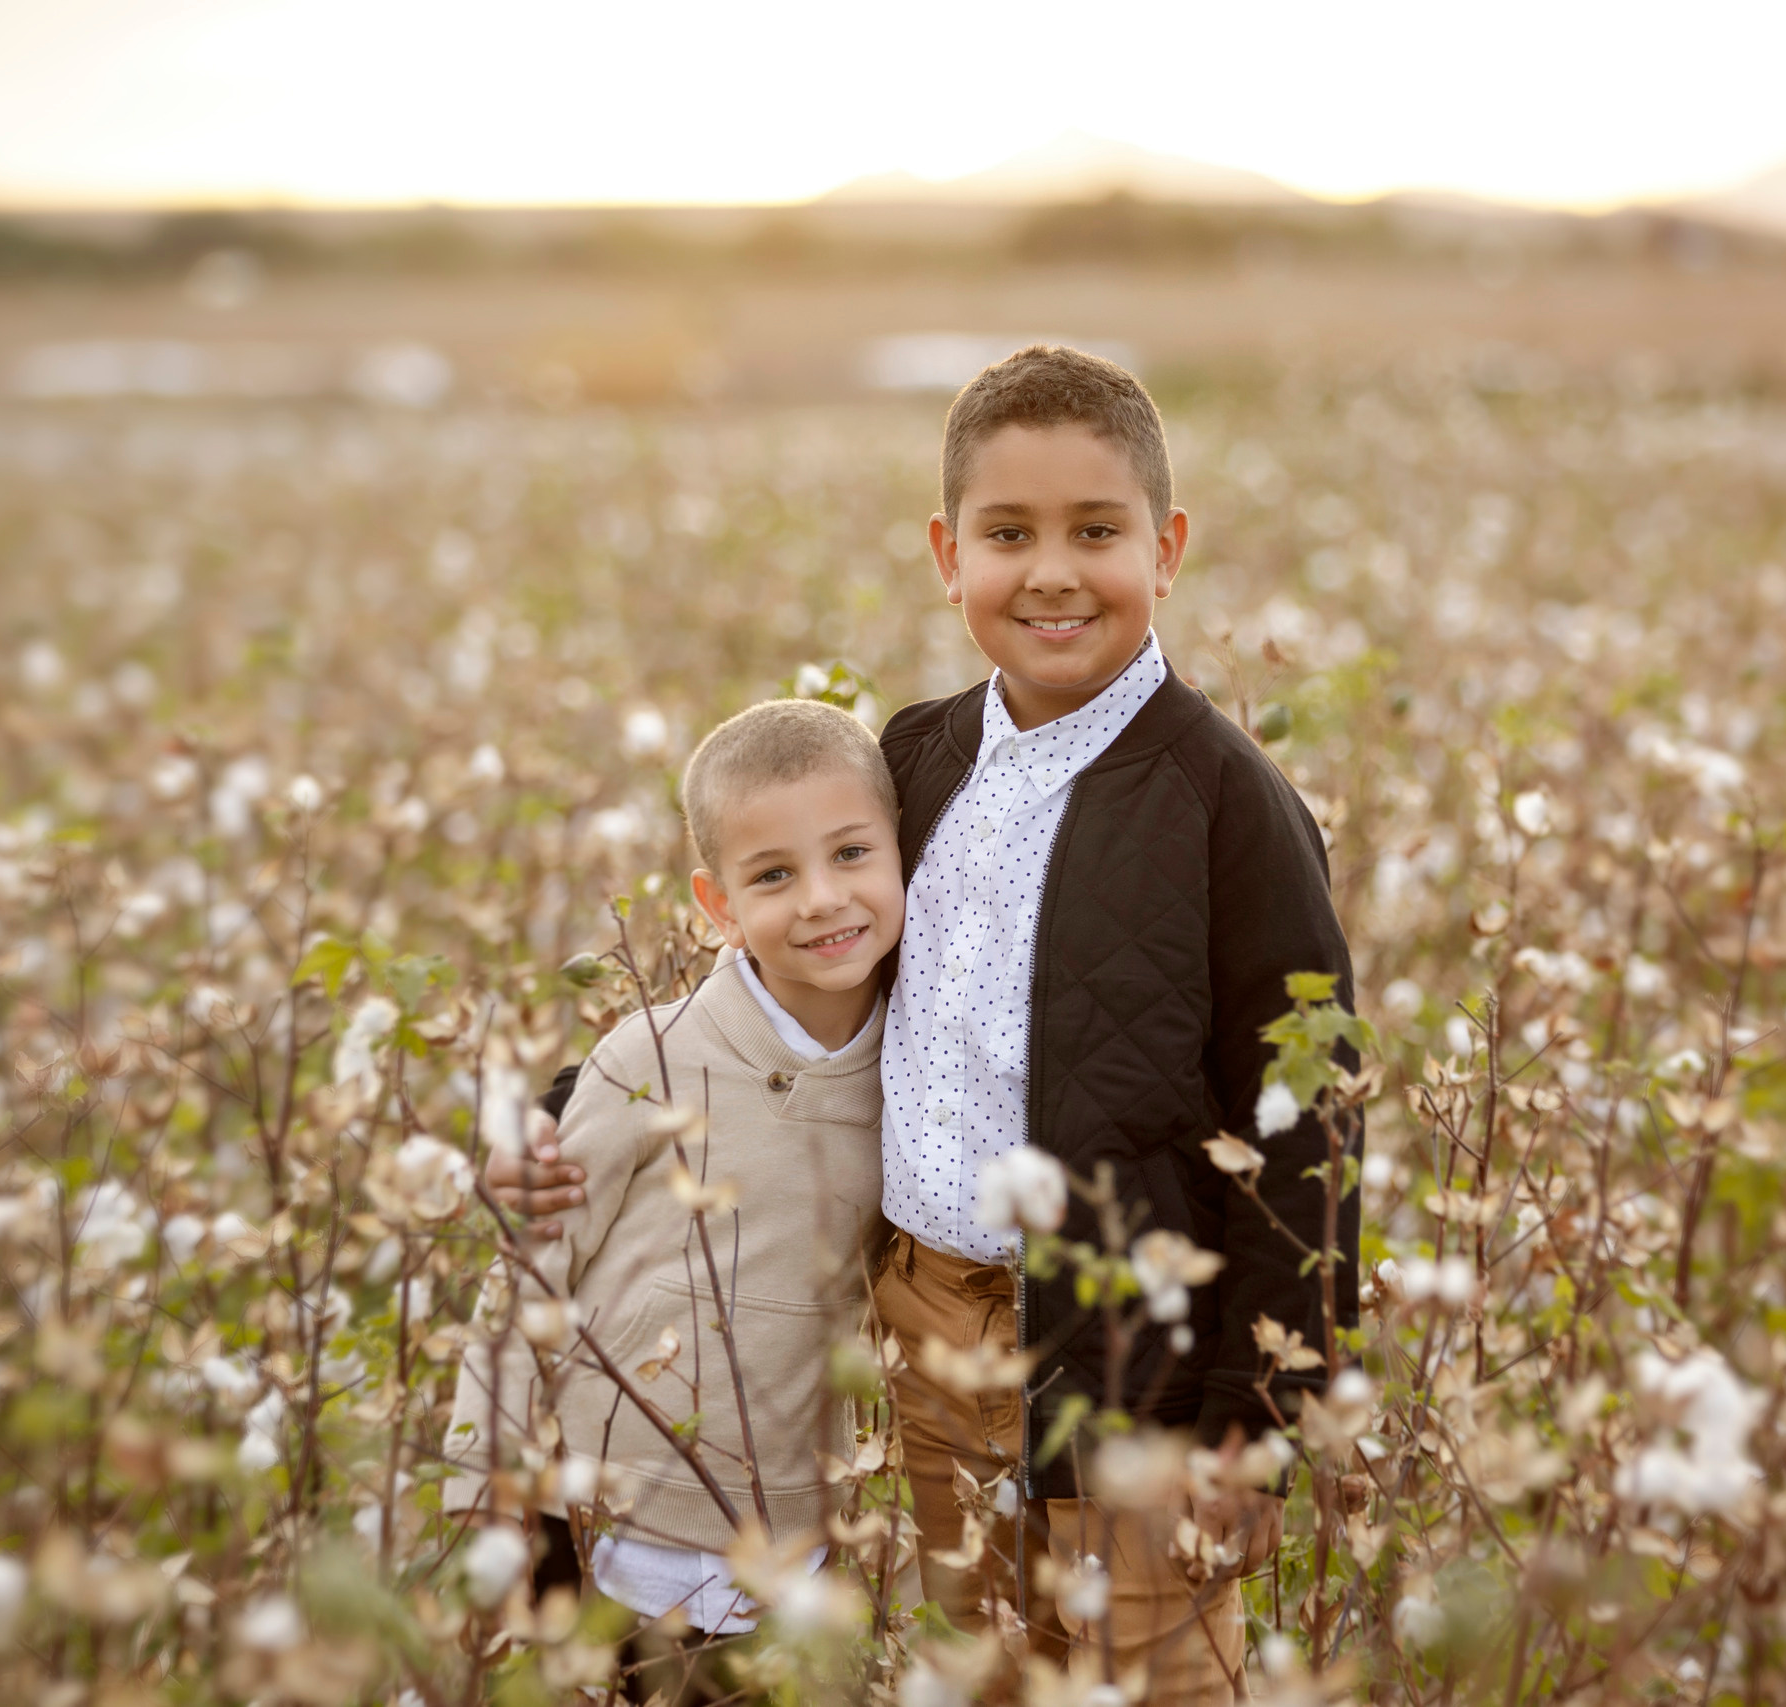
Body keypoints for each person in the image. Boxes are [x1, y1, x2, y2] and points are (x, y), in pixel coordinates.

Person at [493, 346, 1356, 1706]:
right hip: (930, 1323)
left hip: (1139, 1354)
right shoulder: (919, 756)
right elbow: (812, 975)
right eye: (1009, 535)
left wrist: (1252, 1422)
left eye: (1097, 531)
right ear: (949, 556)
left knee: (1155, 1676)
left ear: (1169, 547)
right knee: (987, 1665)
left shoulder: (1230, 803)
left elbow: (1306, 1122)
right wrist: (568, 1104)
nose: (1052, 571)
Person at [444, 698, 902, 1649]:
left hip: (791, 1551)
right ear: (719, 905)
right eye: (774, 874)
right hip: (601, 1526)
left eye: (852, 854)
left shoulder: (920, 1073)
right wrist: (484, 1473)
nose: (821, 897)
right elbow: (531, 1267)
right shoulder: (645, 1060)